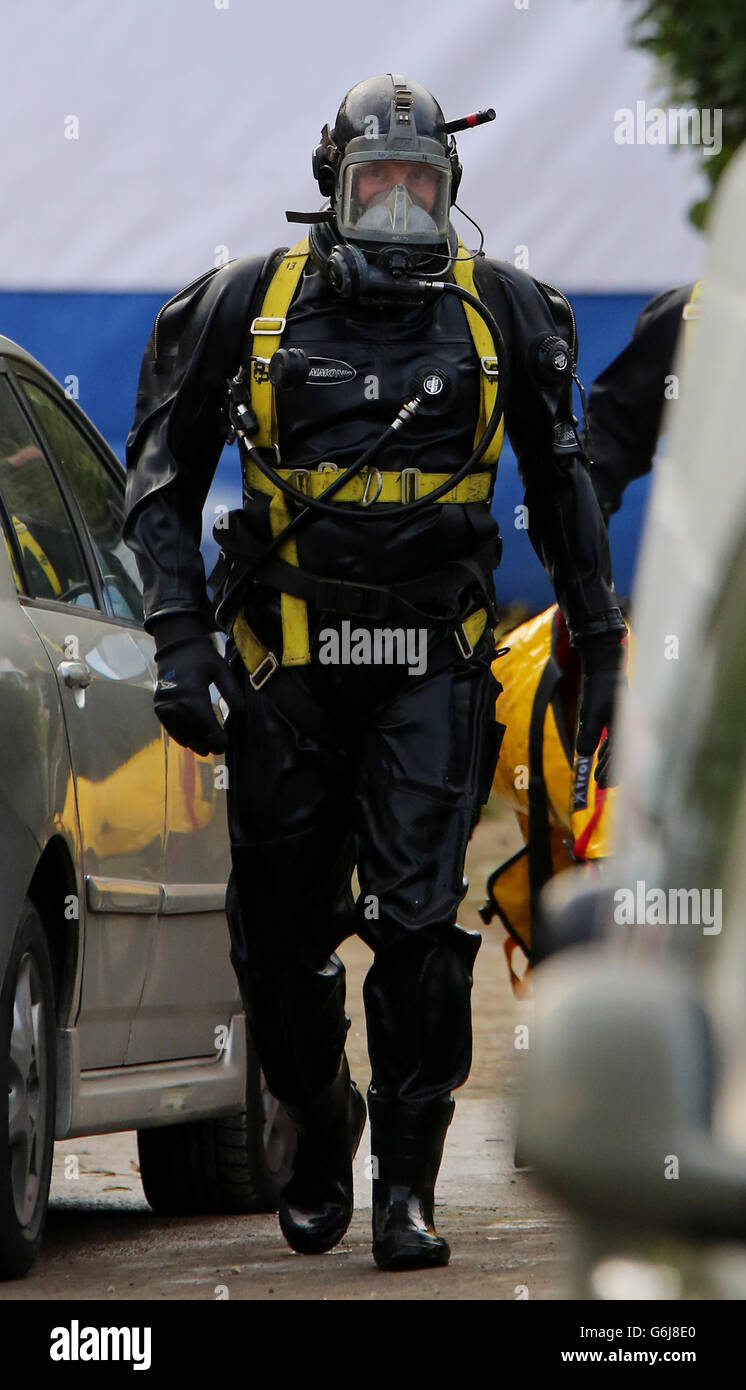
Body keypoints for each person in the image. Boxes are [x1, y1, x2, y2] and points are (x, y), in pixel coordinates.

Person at [123, 73, 626, 1272]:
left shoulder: (503, 311)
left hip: (429, 665)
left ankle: (405, 1183)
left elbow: (563, 494)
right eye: (376, 186)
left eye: (421, 188)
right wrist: (182, 640)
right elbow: (157, 482)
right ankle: (316, 1121)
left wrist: (598, 641)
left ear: (452, 193)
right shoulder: (241, 307)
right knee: (276, 938)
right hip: (284, 668)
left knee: (415, 926)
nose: (399, 210)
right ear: (331, 191)